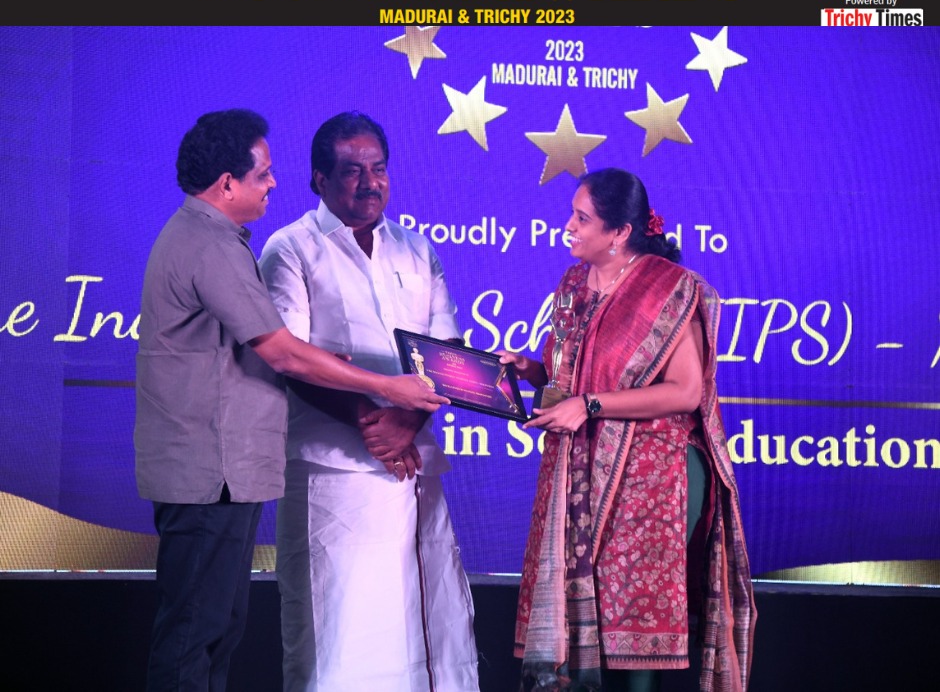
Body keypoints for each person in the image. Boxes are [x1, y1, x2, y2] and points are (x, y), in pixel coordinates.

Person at [134, 109, 447, 692]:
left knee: (214, 628)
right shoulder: (213, 245)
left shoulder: (215, 239)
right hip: (208, 470)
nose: (273, 184)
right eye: (263, 174)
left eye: (379, 168)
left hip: (223, 472)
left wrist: (401, 409)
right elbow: (283, 353)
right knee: (193, 634)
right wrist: (385, 387)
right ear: (227, 182)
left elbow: (277, 350)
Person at [500, 169, 756, 692]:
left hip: (653, 478)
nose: (569, 226)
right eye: (572, 214)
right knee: (579, 619)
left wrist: (590, 406)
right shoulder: (574, 284)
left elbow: (686, 391)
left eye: (582, 218)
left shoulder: (668, 287)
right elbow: (572, 378)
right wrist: (530, 370)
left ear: (619, 232)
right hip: (577, 470)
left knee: (633, 617)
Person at [258, 111, 479, 691]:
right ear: (319, 178)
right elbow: (289, 358)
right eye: (352, 171)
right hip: (332, 475)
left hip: (412, 470)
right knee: (338, 639)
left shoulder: (416, 250)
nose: (369, 183)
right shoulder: (291, 249)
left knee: (423, 636)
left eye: (378, 169)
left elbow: (449, 356)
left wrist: (406, 421)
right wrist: (367, 420)